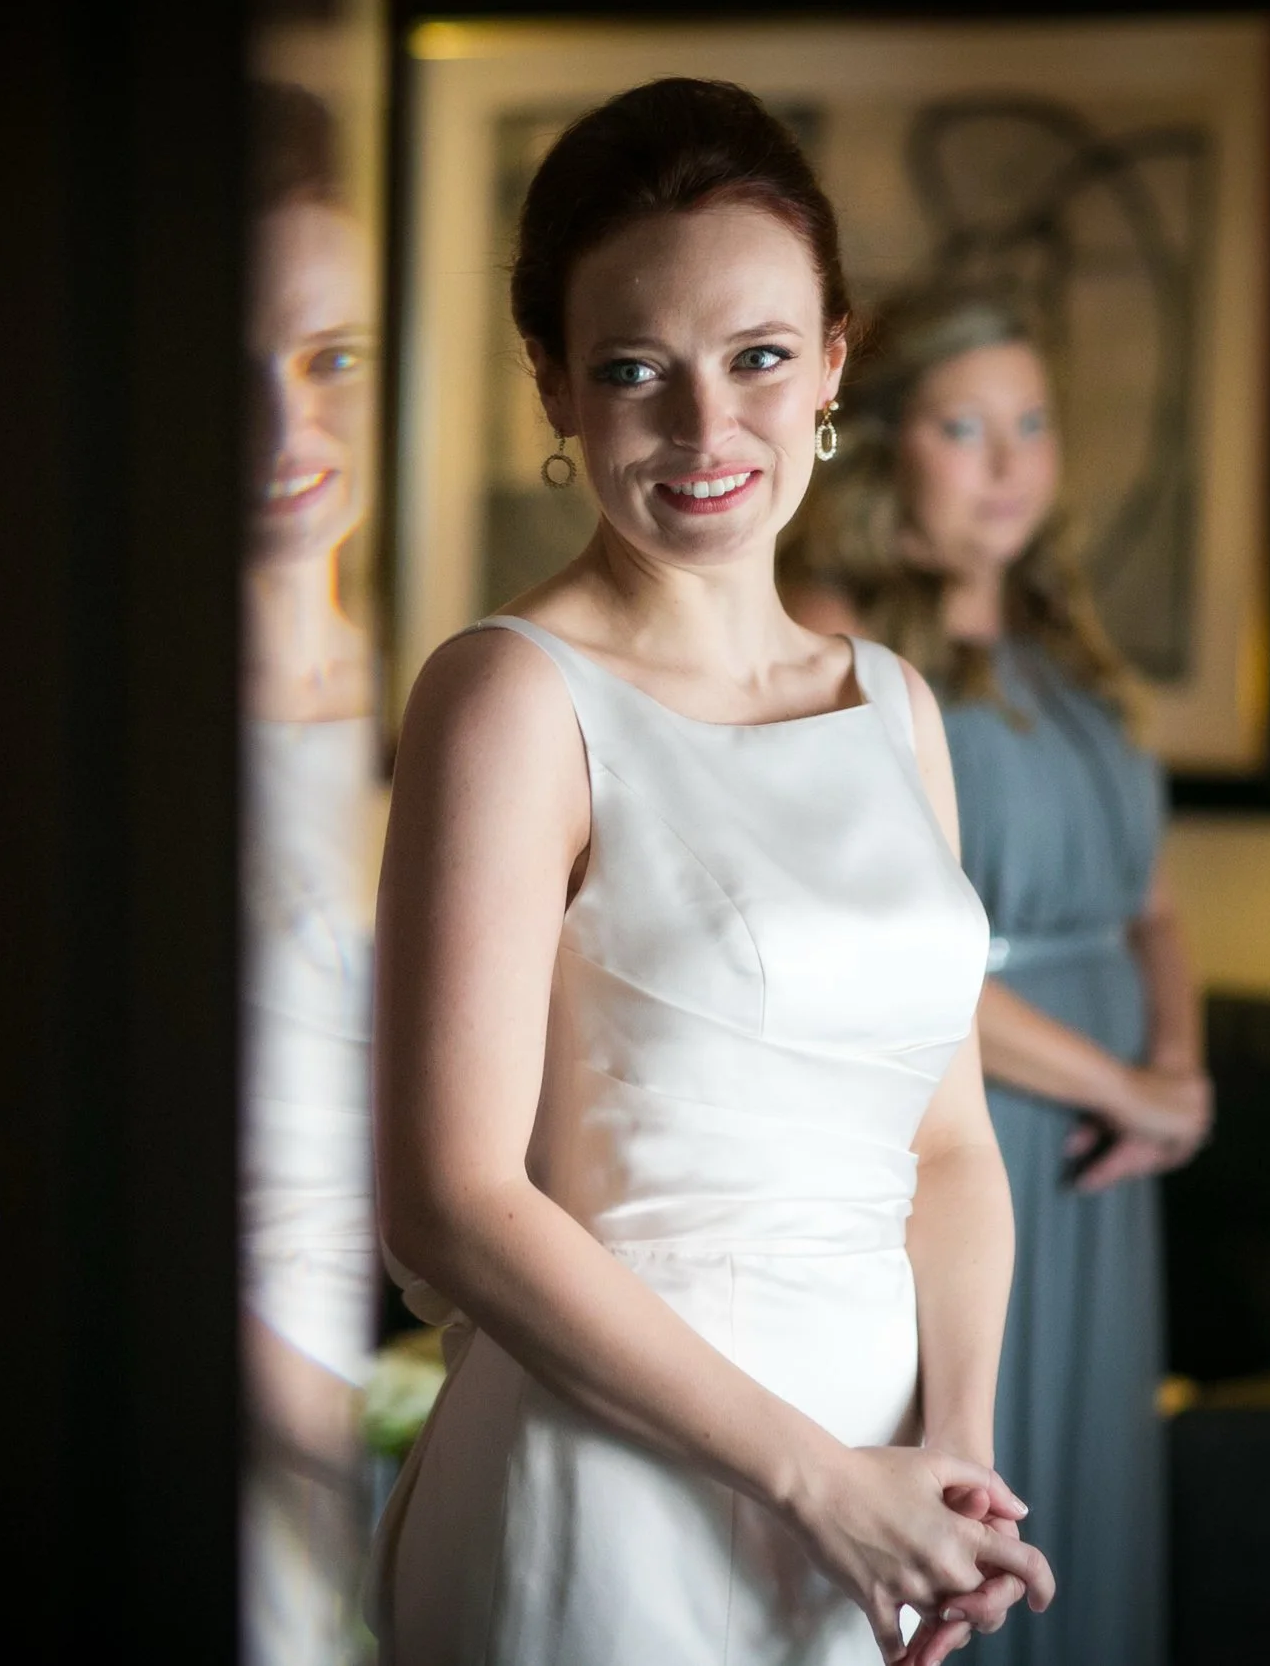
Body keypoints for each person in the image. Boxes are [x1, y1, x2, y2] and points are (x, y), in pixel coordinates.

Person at [370, 80, 1055, 1666]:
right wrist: (814, 1478)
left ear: (833, 361)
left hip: (878, 1505)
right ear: (554, 384)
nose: (704, 430)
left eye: (757, 357)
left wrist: (953, 1458)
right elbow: (453, 1199)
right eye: (635, 370)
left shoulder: (895, 706)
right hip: (612, 1494)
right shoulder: (509, 696)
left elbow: (950, 1143)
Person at [782, 288, 1212, 1666]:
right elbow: (891, 958)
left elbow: (1151, 907)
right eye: (965, 428)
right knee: (981, 1479)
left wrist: (1180, 1075)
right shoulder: (837, 640)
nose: (1011, 462)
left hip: (1109, 1163)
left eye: (1032, 424)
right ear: (884, 444)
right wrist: (1128, 1088)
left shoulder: (1067, 646)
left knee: (1085, 1483)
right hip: (968, 1141)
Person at [239, 81, 381, 1666]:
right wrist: (340, 1441)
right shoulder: (128, 733)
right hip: (228, 1399)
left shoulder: (446, 684)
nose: (288, 432)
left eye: (331, 360)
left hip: (415, 1355)